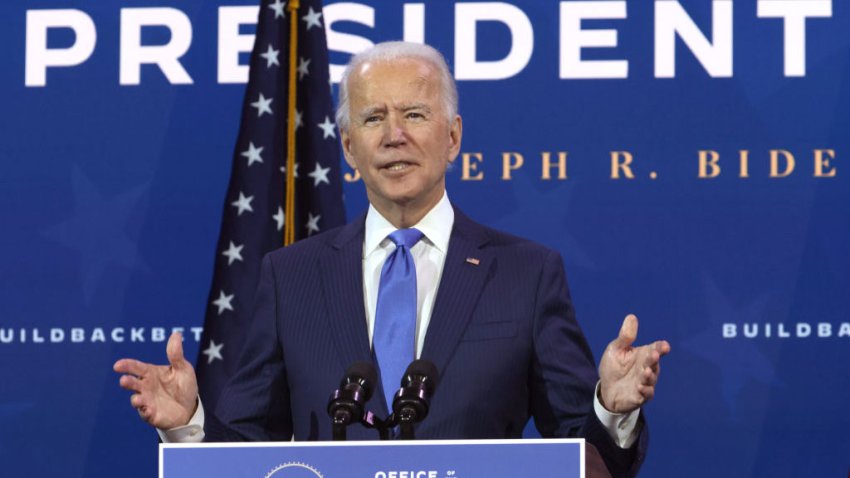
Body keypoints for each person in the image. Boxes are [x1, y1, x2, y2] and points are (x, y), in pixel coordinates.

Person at [114, 42, 670, 477]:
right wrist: (189, 426)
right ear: (350, 148)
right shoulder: (292, 276)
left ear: (453, 138)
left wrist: (610, 408)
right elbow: (243, 451)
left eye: (414, 114)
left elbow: (585, 457)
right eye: (374, 118)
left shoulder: (525, 274)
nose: (394, 136)